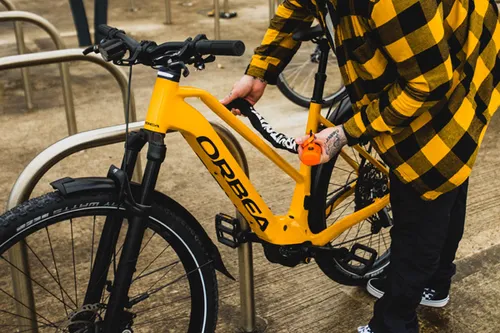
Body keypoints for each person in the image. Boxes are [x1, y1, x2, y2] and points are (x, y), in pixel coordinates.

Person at [221, 0, 500, 332]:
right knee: (448, 170)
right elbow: (297, 4)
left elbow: (431, 82)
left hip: (461, 54)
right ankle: (435, 280)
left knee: (433, 171)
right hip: (424, 47)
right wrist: (260, 71)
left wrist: (344, 133)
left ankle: (394, 323)